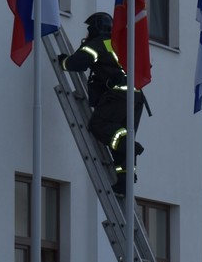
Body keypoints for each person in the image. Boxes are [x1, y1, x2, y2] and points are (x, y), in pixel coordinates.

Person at [60, 11, 145, 195]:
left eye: (89, 29)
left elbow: (78, 63)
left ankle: (132, 147)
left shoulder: (98, 44)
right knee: (119, 136)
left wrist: (63, 62)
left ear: (96, 29)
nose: (87, 33)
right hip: (136, 97)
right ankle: (124, 181)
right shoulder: (121, 44)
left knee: (99, 125)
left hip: (118, 95)